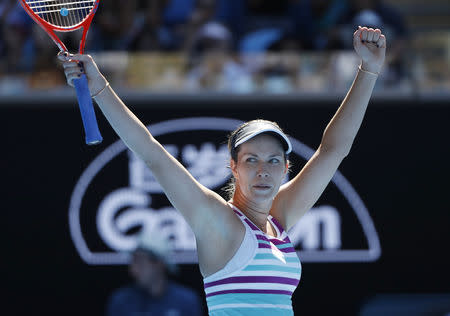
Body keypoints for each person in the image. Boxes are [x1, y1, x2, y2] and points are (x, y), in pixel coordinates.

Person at [59, 26, 386, 315]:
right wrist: (99, 86)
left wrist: (368, 70)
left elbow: (333, 150)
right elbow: (151, 153)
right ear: (233, 167)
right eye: (251, 160)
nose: (263, 171)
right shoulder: (218, 221)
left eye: (273, 161)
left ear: (286, 168)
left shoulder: (278, 218)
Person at [105, 229, 203, 316]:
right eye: (133, 262)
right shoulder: (120, 301)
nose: (133, 270)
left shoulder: (187, 301)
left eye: (140, 262)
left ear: (159, 264)